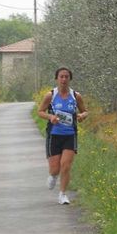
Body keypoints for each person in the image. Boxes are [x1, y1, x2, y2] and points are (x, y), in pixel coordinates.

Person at [37, 67, 88, 204]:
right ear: (57, 79)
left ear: (70, 79)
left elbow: (85, 111)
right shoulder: (50, 95)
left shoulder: (76, 96)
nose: (64, 79)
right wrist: (50, 117)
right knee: (55, 169)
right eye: (61, 77)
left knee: (65, 166)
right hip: (54, 135)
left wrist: (82, 115)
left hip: (70, 135)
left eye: (66, 77)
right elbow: (40, 112)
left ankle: (62, 194)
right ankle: (53, 176)